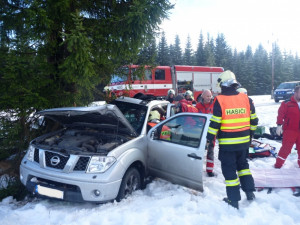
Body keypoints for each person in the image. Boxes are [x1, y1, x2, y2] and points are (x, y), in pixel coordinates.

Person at [206, 70, 259, 209]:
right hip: (244, 144)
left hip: (228, 146)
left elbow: (215, 123)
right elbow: (254, 120)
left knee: (230, 172)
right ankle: (249, 192)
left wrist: (208, 139)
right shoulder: (246, 98)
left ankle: (233, 200)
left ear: (223, 85)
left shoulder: (220, 100)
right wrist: (250, 135)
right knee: (243, 167)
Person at [274, 85, 300, 168]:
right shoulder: (286, 103)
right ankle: (278, 165)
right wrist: (279, 125)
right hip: (290, 130)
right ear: (295, 93)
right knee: (286, 149)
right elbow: (280, 115)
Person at [196, 89, 215, 177]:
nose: (209, 98)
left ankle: (210, 171)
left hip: (211, 132)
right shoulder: (198, 106)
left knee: (210, 151)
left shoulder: (215, 104)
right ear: (202, 96)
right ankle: (196, 169)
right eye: (207, 96)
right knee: (199, 151)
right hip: (201, 132)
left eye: (210, 96)